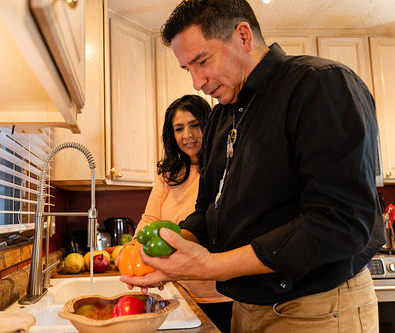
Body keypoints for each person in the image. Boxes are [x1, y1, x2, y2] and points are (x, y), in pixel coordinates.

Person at [120, 1, 385, 332]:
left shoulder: (320, 85)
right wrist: (177, 248)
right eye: (188, 68)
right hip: (245, 310)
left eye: (202, 61)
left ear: (243, 36)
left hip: (317, 310)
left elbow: (341, 221)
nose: (197, 82)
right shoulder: (220, 117)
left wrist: (212, 265)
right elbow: (208, 212)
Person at [134, 94, 233, 331]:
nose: (187, 135)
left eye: (195, 125)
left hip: (222, 295)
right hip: (177, 290)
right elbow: (149, 220)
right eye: (179, 129)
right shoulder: (169, 175)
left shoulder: (227, 169)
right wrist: (136, 251)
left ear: (209, 126)